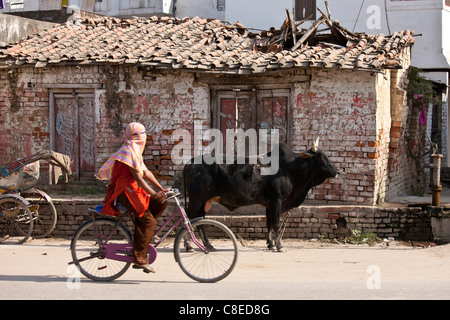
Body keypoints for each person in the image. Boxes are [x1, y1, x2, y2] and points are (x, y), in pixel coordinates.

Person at [97, 122, 170, 273]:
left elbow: (146, 173)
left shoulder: (134, 151)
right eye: (142, 134)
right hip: (126, 191)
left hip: (133, 190)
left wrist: (162, 190)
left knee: (161, 201)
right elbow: (138, 177)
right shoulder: (128, 151)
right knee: (149, 222)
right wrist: (152, 192)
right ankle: (140, 259)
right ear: (137, 137)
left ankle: (141, 231)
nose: (144, 137)